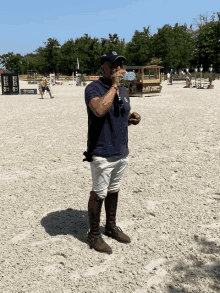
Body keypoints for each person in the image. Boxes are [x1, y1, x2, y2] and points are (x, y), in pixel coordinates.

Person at [83, 51, 141, 254]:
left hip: (121, 150)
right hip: (101, 151)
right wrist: (114, 86)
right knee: (99, 192)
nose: (118, 68)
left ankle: (110, 227)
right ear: (103, 67)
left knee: (113, 190)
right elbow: (98, 110)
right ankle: (93, 235)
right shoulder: (93, 88)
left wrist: (130, 118)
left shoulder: (124, 90)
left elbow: (117, 115)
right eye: (113, 64)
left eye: (120, 65)